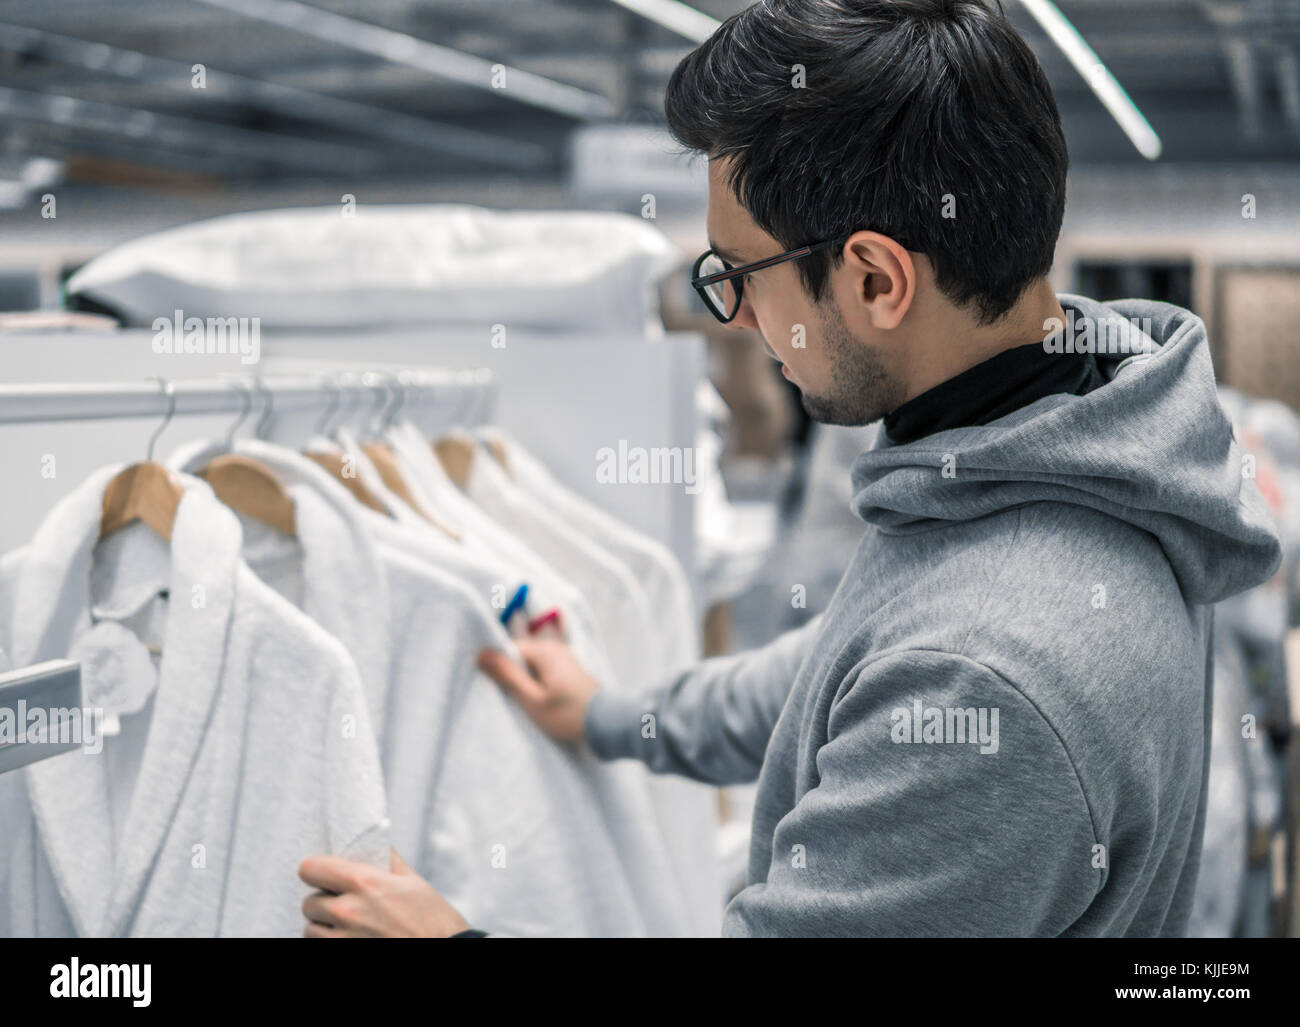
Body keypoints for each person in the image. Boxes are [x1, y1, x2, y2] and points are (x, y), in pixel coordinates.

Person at [298, 0, 1282, 937]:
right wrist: (610, 713)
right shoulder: (1078, 434)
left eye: (737, 274)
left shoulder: (985, 673)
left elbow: (923, 680)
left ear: (874, 279)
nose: (733, 316)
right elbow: (841, 670)